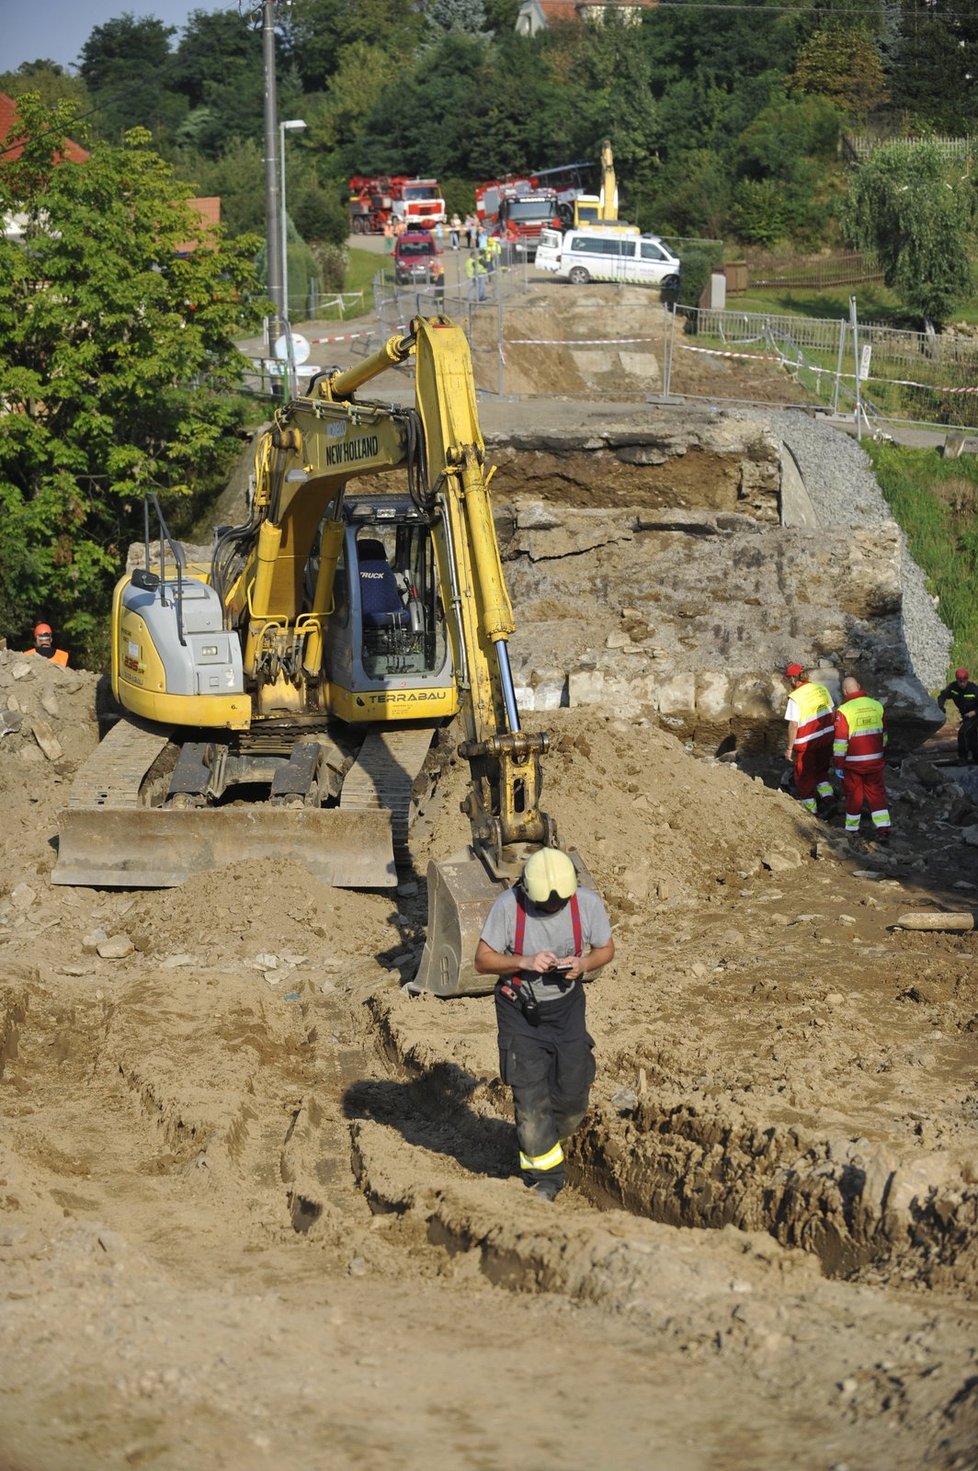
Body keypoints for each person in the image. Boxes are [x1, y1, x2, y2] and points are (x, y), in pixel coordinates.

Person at [475, 848, 614, 1201]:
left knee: (571, 1099)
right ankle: (544, 1177)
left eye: (561, 903)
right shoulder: (509, 907)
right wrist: (524, 960)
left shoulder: (586, 904)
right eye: (546, 905)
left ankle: (539, 1135)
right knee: (530, 1098)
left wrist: (583, 964)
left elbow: (606, 949)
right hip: (520, 1012)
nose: (555, 908)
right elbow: (482, 960)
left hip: (566, 1010)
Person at [833, 674, 891, 843]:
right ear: (859, 685)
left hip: (853, 764)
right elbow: (884, 735)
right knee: (877, 794)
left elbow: (840, 742)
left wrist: (838, 764)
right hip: (875, 761)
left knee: (854, 796)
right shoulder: (877, 706)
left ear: (844, 691)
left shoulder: (844, 711)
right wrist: (880, 752)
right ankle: (884, 829)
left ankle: (851, 830)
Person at [782, 661, 835, 816]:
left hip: (806, 743)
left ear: (792, 679)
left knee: (805, 775)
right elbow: (832, 712)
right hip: (826, 737)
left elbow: (793, 724)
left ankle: (810, 811)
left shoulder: (795, 697)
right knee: (822, 771)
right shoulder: (821, 689)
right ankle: (829, 798)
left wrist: (790, 748)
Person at [937, 667, 978, 763]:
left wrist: (974, 712)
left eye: (964, 681)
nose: (962, 684)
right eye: (960, 682)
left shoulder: (974, 689)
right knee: (972, 738)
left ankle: (963, 758)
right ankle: (976, 758)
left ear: (967, 680)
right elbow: (942, 696)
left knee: (963, 733)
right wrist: (941, 707)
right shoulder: (953, 688)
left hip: (975, 715)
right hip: (966, 716)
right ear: (957, 680)